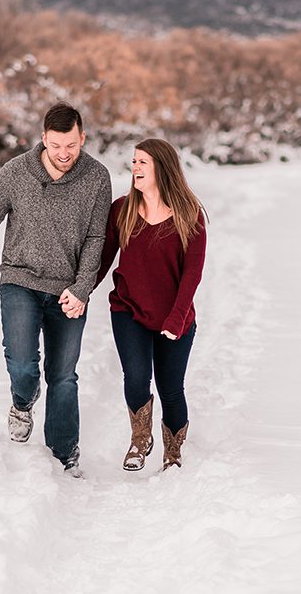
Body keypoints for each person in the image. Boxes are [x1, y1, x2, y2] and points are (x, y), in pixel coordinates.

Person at [0, 102, 112, 477]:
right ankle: (22, 402)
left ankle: (64, 456)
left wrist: (83, 287)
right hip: (20, 280)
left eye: (71, 145)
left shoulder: (97, 177)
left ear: (82, 138)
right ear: (43, 139)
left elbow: (96, 238)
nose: (63, 153)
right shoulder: (16, 172)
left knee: (63, 375)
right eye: (56, 145)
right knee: (24, 365)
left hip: (68, 290)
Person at [96, 138, 206, 471]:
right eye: (134, 161)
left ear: (163, 167)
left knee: (171, 389)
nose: (135, 168)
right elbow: (101, 260)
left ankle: (173, 451)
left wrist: (176, 318)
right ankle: (140, 439)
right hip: (128, 310)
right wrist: (80, 291)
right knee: (136, 377)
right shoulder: (122, 209)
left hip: (175, 318)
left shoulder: (190, 215)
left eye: (143, 162)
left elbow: (192, 275)